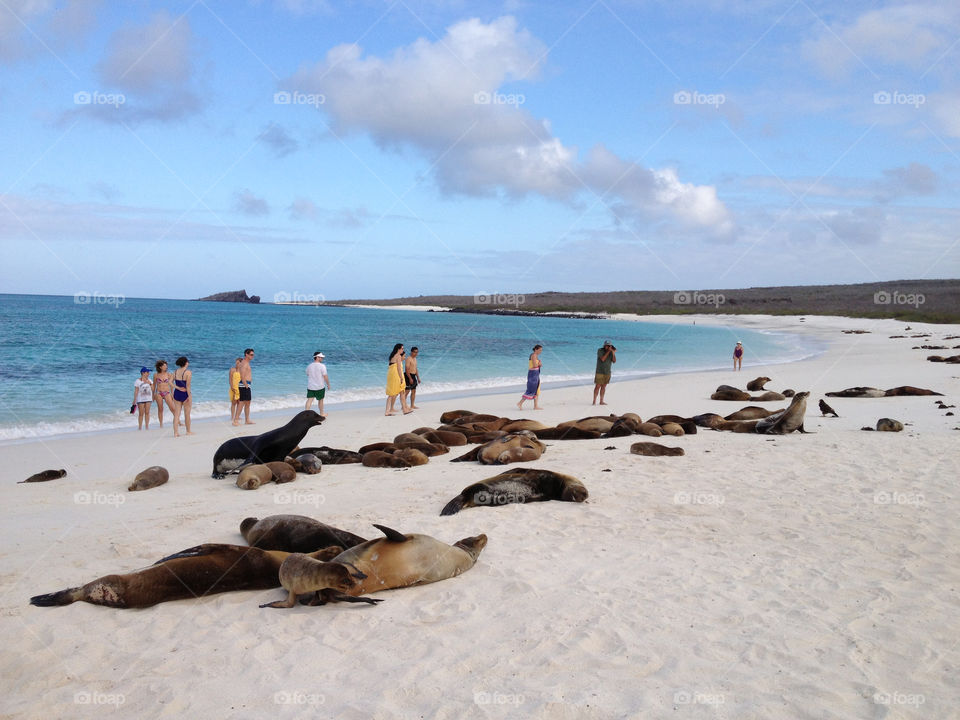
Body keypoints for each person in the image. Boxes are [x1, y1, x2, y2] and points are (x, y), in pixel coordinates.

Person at [385, 343, 411, 416]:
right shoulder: (398, 356)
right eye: (402, 348)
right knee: (399, 392)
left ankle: (402, 410)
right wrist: (401, 378)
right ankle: (403, 410)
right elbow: (399, 368)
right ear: (398, 349)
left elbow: (390, 366)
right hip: (396, 375)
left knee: (396, 393)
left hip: (391, 375)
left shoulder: (392, 356)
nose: (403, 350)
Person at [517, 344, 543, 410]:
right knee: (531, 390)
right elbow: (534, 365)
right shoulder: (533, 355)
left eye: (541, 350)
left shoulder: (536, 356)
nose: (541, 351)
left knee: (537, 390)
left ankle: (535, 406)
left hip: (536, 374)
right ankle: (520, 403)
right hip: (533, 375)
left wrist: (539, 364)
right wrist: (539, 364)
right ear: (536, 349)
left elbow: (538, 365)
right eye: (540, 350)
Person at [172, 356, 193, 437]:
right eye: (187, 362)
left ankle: (175, 433)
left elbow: (170, 382)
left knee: (177, 414)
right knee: (187, 414)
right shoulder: (188, 372)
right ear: (185, 363)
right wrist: (189, 396)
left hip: (177, 393)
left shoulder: (175, 371)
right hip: (185, 394)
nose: (188, 363)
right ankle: (188, 431)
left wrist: (177, 388)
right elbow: (188, 386)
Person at [305, 351, 330, 416]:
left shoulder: (309, 366)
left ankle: (306, 415)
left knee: (309, 400)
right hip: (320, 386)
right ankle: (321, 413)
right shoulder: (322, 366)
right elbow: (325, 376)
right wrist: (328, 384)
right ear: (317, 357)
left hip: (311, 386)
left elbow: (307, 374)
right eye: (321, 357)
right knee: (320, 400)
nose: (322, 358)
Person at [592, 341, 617, 405]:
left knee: (603, 387)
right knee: (597, 386)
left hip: (607, 372)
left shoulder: (611, 352)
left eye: (609, 346)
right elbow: (603, 359)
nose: (607, 347)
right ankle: (594, 401)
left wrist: (613, 353)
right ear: (604, 345)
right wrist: (609, 351)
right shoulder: (600, 350)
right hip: (600, 371)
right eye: (606, 345)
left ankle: (601, 401)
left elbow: (614, 361)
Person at [153, 360, 175, 427]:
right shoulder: (156, 375)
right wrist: (152, 395)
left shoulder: (169, 374)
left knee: (173, 408)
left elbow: (171, 385)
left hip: (167, 392)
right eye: (164, 366)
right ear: (160, 367)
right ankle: (161, 424)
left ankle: (178, 421)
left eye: (166, 365)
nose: (166, 367)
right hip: (158, 393)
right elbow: (154, 385)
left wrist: (172, 394)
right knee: (160, 409)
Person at [237, 348, 254, 425]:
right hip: (244, 385)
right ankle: (235, 420)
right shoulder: (244, 363)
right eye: (251, 354)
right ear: (246, 355)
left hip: (246, 385)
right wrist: (246, 386)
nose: (252, 356)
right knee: (241, 403)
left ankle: (247, 420)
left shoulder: (246, 363)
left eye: (253, 355)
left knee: (247, 403)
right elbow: (242, 376)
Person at [228, 358, 242, 426]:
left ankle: (237, 416)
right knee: (234, 402)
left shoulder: (242, 370)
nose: (237, 364)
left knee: (239, 403)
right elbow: (230, 379)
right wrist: (232, 387)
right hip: (234, 388)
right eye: (236, 362)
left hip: (240, 388)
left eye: (238, 363)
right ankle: (232, 416)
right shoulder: (232, 369)